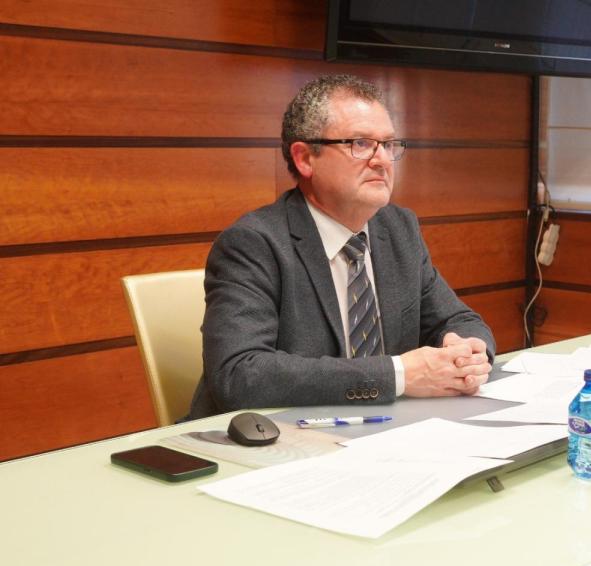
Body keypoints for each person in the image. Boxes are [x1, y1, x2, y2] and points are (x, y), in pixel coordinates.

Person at [187, 74, 494, 419]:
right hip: (274, 442)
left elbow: (459, 319)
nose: (382, 160)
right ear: (304, 158)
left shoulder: (398, 228)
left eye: (389, 144)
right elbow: (239, 374)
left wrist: (468, 352)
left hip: (379, 433)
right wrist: (399, 376)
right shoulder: (254, 244)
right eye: (360, 144)